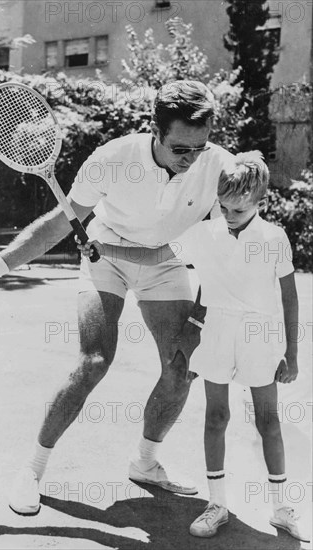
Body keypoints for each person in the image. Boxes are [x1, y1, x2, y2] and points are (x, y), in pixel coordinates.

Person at [0, 80, 234, 515]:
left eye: (201, 146)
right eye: (181, 149)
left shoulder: (220, 167)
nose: (192, 157)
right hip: (106, 255)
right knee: (94, 361)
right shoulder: (113, 158)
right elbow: (58, 225)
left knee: (182, 368)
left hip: (166, 261)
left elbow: (223, 254)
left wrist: (198, 322)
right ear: (154, 132)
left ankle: (145, 463)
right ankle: (33, 468)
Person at [79, 151, 309, 543]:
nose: (228, 214)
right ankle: (217, 503)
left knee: (269, 423)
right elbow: (154, 254)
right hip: (216, 335)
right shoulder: (204, 233)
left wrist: (293, 353)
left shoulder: (274, 238)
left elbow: (290, 297)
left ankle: (280, 506)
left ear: (260, 201)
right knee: (216, 418)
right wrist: (102, 248)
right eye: (222, 206)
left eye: (237, 208)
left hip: (260, 338)